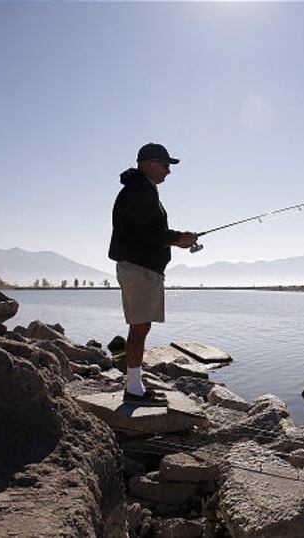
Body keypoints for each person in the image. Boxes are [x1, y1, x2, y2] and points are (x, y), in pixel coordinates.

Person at [109, 143, 198, 405]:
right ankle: (134, 390)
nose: (169, 171)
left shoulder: (143, 190)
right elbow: (148, 235)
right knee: (138, 328)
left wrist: (177, 239)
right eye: (165, 165)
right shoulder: (139, 192)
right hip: (139, 269)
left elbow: (148, 233)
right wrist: (179, 238)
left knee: (141, 327)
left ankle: (135, 385)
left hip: (143, 269)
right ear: (147, 163)